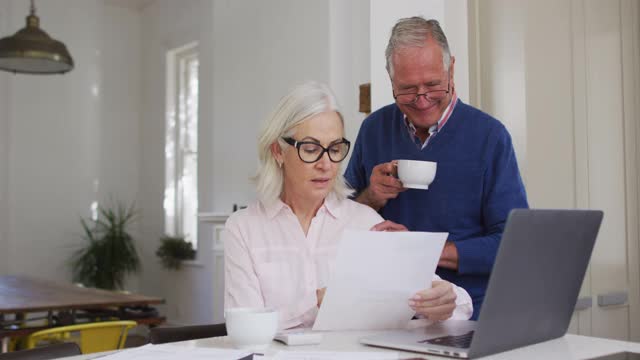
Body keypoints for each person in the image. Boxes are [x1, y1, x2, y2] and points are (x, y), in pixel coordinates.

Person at [224, 81, 473, 330]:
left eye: (335, 149)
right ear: (278, 151)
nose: (326, 164)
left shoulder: (366, 223)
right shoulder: (244, 228)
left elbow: (460, 307)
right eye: (310, 149)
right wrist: (314, 305)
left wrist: (444, 300)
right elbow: (245, 328)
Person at [344, 17, 529, 320]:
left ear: (451, 69)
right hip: (386, 315)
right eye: (406, 89)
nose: (421, 99)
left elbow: (513, 244)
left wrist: (420, 250)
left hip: (468, 316)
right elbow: (337, 227)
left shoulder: (490, 137)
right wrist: (371, 196)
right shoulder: (373, 129)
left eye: (432, 85)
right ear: (390, 81)